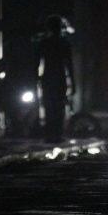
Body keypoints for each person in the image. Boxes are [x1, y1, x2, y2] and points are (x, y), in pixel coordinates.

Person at [35, 14, 75, 143]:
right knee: (58, 107)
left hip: (48, 77)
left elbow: (36, 63)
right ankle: (56, 134)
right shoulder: (64, 43)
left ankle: (50, 134)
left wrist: (36, 78)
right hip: (59, 77)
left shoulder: (44, 43)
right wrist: (73, 82)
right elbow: (69, 65)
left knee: (49, 107)